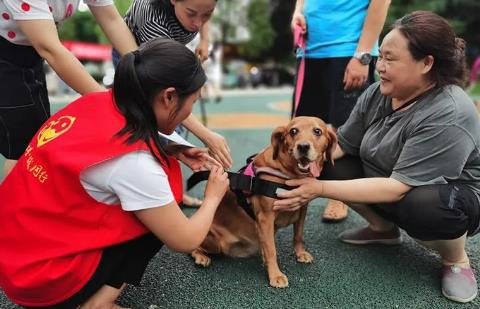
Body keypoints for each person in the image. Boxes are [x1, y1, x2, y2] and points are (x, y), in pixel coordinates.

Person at [0, 38, 230, 309]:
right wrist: (213, 196)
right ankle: (96, 304)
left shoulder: (97, 101)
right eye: (193, 101)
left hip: (16, 256)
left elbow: (115, 149)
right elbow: (185, 239)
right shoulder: (134, 163)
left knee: (146, 203)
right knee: (160, 216)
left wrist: (172, 147)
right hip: (44, 280)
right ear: (168, 97)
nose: (191, 110)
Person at [275, 11, 480, 303]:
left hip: (446, 196)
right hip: (391, 180)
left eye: (390, 58)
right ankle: (383, 229)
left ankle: (455, 259)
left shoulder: (449, 111)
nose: (379, 66)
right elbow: (342, 144)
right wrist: (293, 165)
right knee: (327, 163)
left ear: (426, 63)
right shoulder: (378, 93)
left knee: (424, 207)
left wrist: (316, 189)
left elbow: (398, 188)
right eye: (379, 57)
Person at [0, 0, 140, 179]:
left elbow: (111, 19)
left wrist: (144, 69)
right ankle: (16, 204)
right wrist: (109, 103)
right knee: (26, 147)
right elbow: (51, 50)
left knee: (35, 140)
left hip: (30, 54)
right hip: (8, 53)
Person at [114, 0, 232, 207]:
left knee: (174, 127)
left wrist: (204, 40)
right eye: (191, 14)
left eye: (207, 15)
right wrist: (206, 135)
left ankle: (174, 190)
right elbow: (168, 98)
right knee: (153, 119)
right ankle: (152, 192)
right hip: (134, 54)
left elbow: (201, 12)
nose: (197, 23)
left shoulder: (198, 8)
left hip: (169, 48)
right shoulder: (152, 20)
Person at [290, 0, 391, 222]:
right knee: (299, 128)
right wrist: (297, 12)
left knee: (343, 130)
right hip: (309, 50)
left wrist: (362, 55)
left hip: (348, 50)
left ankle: (337, 195)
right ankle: (295, 189)